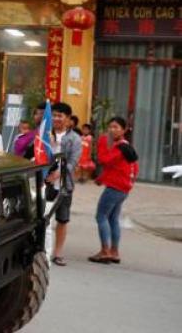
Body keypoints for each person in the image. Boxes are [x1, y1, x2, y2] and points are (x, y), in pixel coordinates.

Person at [89, 117, 139, 264]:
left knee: (101, 216)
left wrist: (103, 143)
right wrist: (102, 178)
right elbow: (130, 168)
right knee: (113, 219)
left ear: (123, 130)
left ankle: (105, 251)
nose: (112, 130)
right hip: (123, 188)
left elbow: (104, 160)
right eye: (110, 127)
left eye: (116, 127)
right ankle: (114, 252)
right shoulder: (126, 146)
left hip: (115, 187)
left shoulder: (119, 147)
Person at [48, 102, 81, 266]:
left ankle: (58, 253)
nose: (56, 119)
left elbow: (73, 163)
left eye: (60, 116)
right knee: (42, 218)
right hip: (45, 182)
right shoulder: (46, 133)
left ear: (68, 120)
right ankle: (43, 250)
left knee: (62, 219)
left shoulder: (75, 139)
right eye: (54, 115)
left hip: (63, 184)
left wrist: (58, 174)